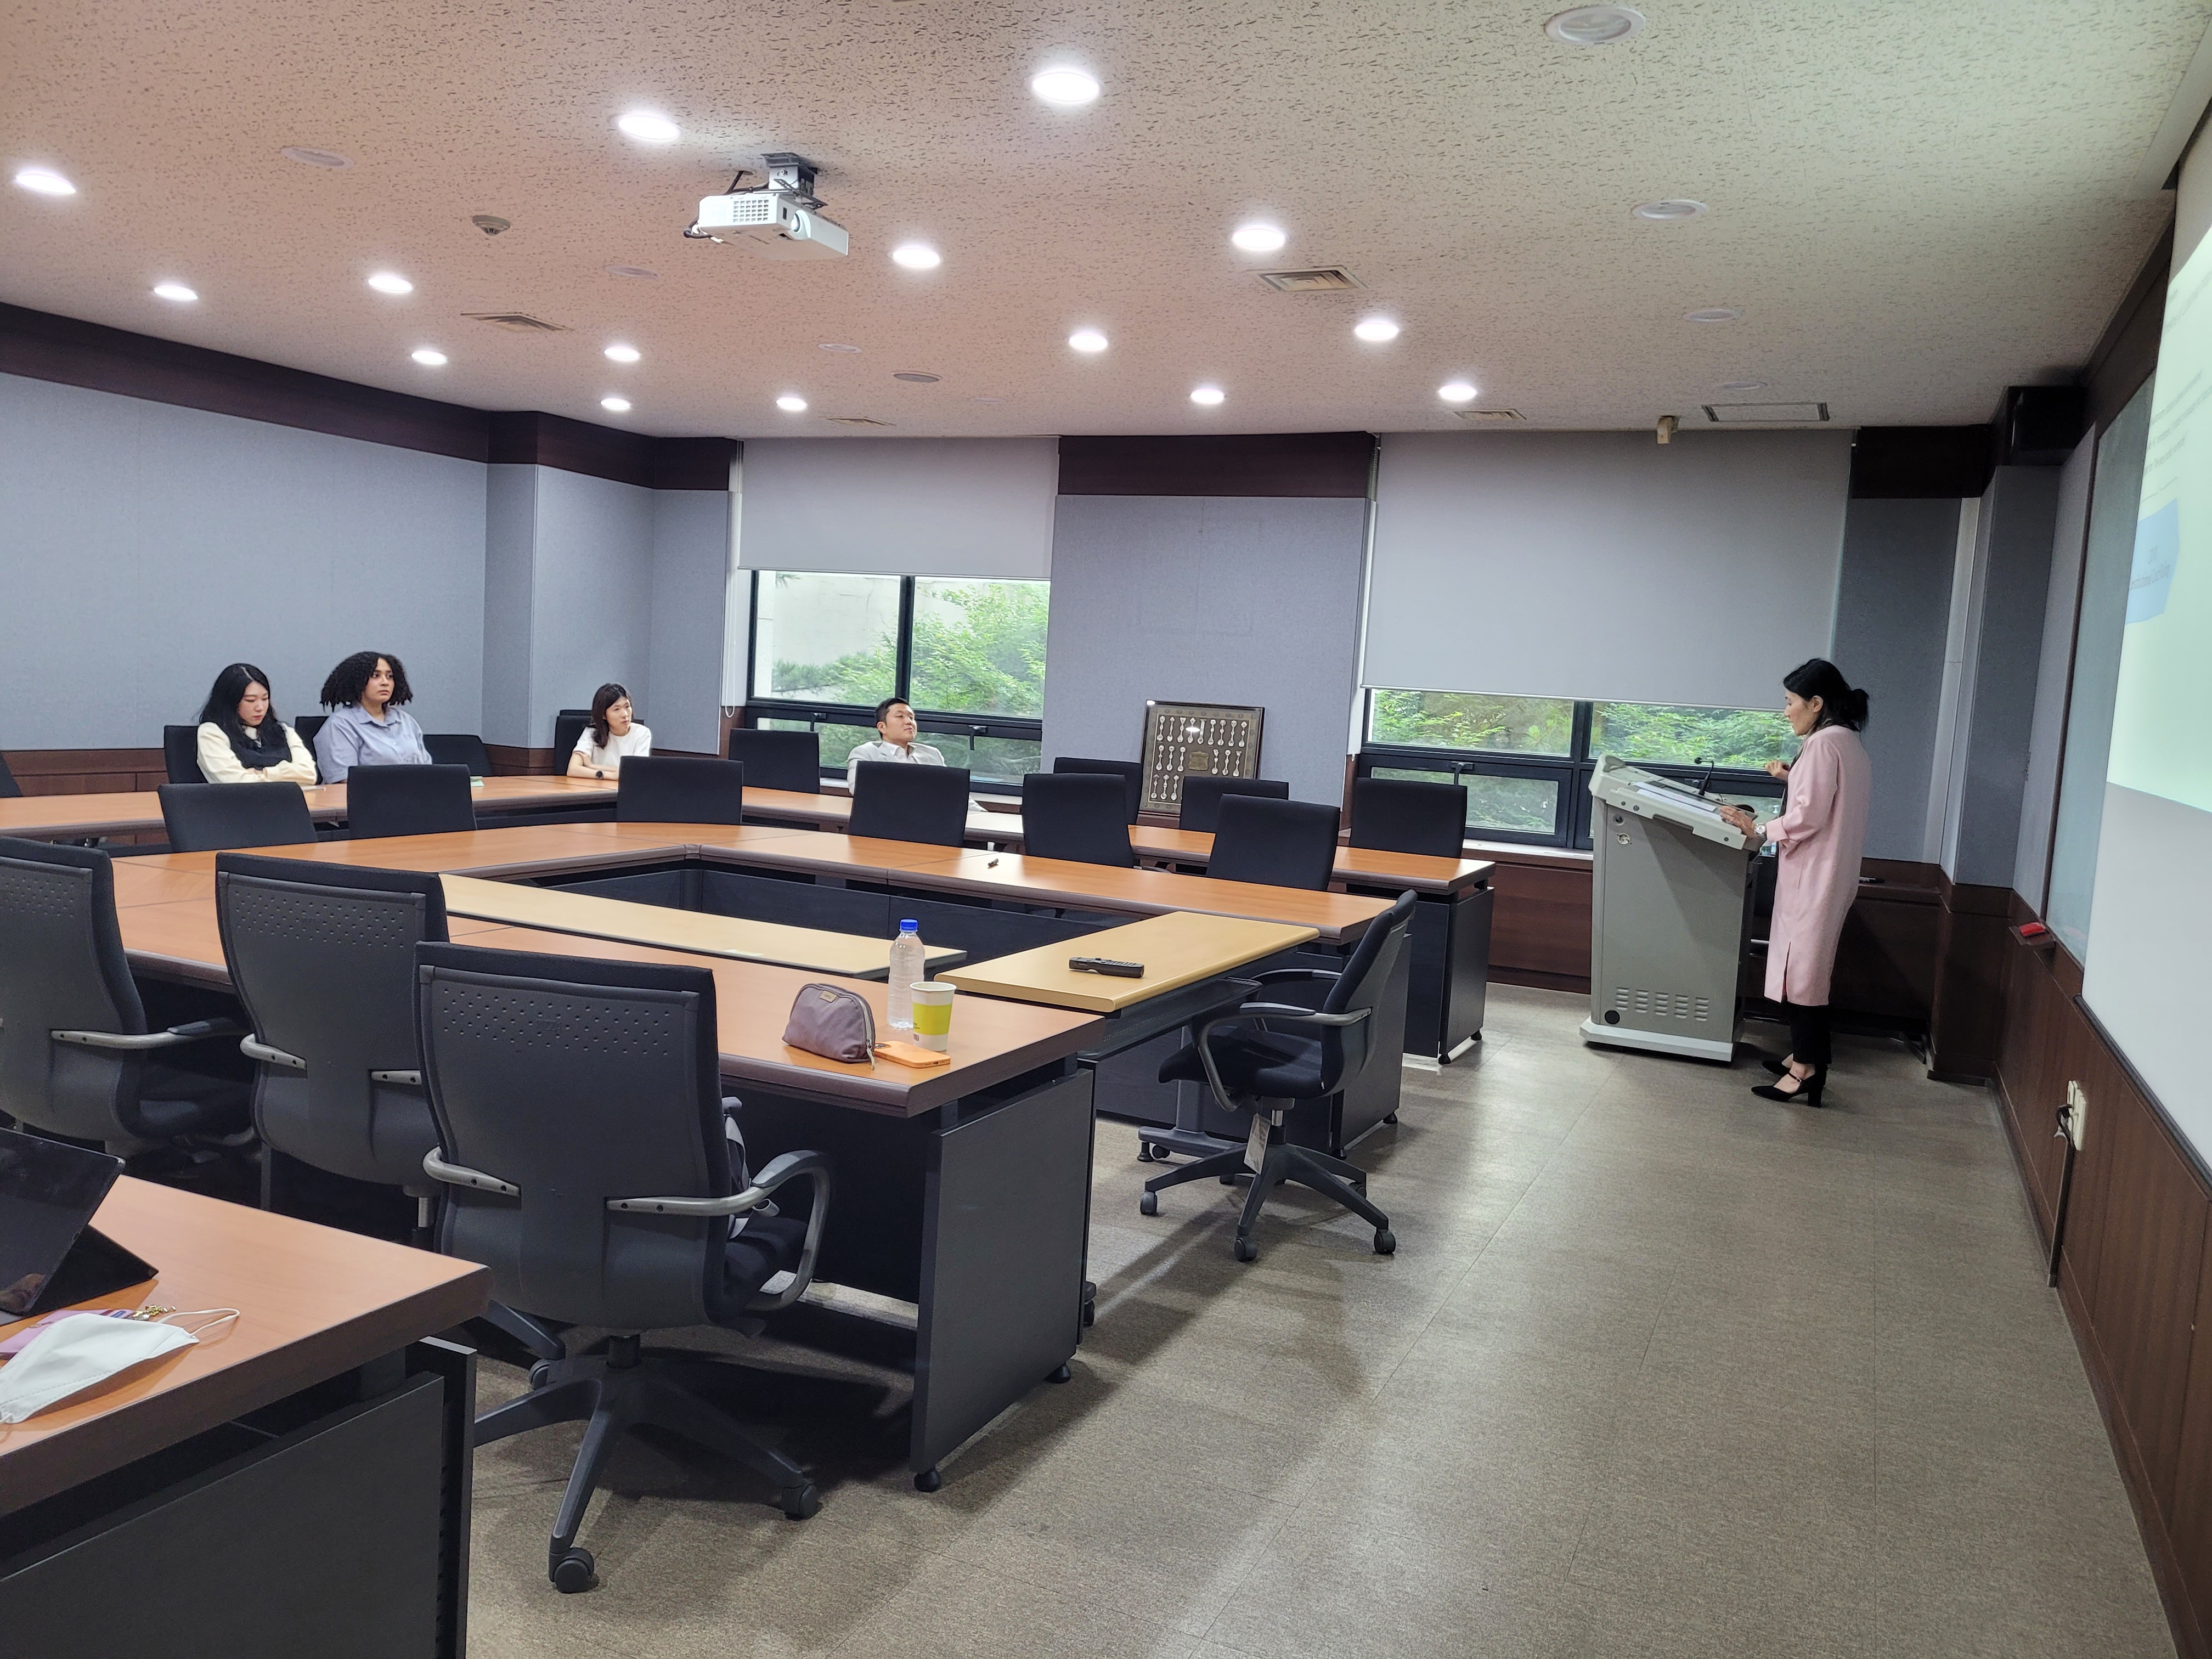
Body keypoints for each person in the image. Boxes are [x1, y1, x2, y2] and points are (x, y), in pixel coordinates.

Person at [1718, 658, 1872, 1109]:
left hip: (1815, 878)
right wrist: (1793, 776)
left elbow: (1809, 816)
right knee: (1809, 971)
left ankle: (1806, 1070)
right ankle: (1805, 1058)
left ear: (1816, 703)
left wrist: (1759, 829)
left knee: (1804, 977)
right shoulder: (1847, 741)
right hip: (1830, 874)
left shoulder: (1823, 744)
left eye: (1790, 702)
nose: (1786, 711)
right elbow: (1831, 799)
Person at [193, 663, 318, 785]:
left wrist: (264, 773)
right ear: (230, 701)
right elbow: (236, 783)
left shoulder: (284, 731)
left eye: (265, 699)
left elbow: (309, 775)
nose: (260, 708)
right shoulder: (212, 733)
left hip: (287, 799)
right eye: (250, 700)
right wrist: (287, 776)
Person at [315, 651, 431, 782]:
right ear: (357, 681)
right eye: (376, 676)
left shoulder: (406, 721)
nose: (385, 682)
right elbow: (345, 781)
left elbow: (428, 772)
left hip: (418, 793)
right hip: (368, 795)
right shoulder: (340, 725)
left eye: (390, 676)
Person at [844, 697, 947, 793]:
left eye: (911, 717)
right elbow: (859, 790)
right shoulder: (866, 754)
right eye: (900, 716)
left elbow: (947, 790)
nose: (909, 722)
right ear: (882, 727)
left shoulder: (933, 754)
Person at [568, 682, 652, 780]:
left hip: (626, 788)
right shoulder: (591, 733)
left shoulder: (642, 733)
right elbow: (572, 770)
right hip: (595, 788)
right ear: (603, 715)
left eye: (627, 707)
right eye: (617, 709)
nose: (625, 714)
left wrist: (591, 766)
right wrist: (609, 775)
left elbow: (635, 772)